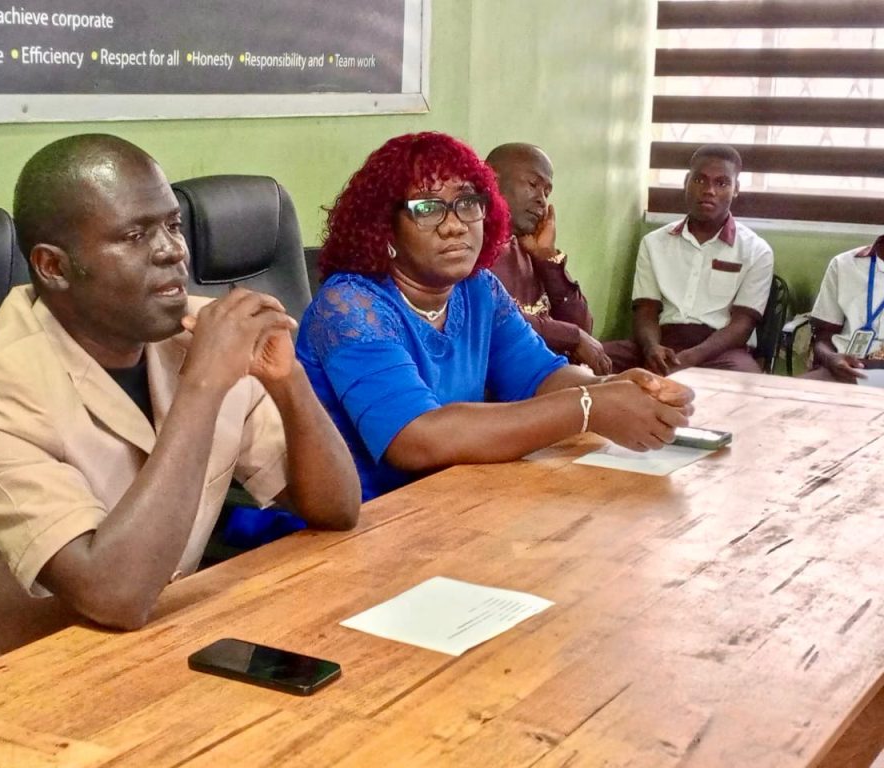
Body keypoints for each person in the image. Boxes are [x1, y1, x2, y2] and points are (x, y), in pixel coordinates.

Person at [0, 134, 360, 676]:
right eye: (135, 235)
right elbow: (113, 594)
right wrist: (203, 386)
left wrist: (288, 380)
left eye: (173, 225)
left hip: (149, 649)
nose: (172, 251)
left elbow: (335, 509)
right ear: (53, 267)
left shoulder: (199, 331)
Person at [295, 131, 694, 502]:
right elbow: (417, 439)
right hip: (355, 522)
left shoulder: (478, 288)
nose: (454, 226)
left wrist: (615, 387)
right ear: (385, 227)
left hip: (451, 499)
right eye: (428, 208)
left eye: (468, 203)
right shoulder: (349, 305)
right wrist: (589, 406)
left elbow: (541, 376)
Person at [605, 144, 774, 375]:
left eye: (722, 183)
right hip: (660, 343)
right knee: (592, 359)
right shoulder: (654, 243)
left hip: (720, 351)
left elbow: (742, 325)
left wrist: (692, 357)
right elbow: (646, 310)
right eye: (700, 180)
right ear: (686, 182)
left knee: (746, 382)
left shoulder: (756, 251)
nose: (709, 190)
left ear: (736, 189)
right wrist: (652, 348)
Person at [485, 143, 612, 374]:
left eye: (547, 192)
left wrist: (547, 257)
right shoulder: (470, 249)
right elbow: (493, 317)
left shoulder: (527, 247)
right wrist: (571, 336)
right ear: (492, 181)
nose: (542, 200)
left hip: (554, 376)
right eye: (533, 185)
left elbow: (583, 326)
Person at [802, 234, 884, 383]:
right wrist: (831, 358)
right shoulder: (844, 264)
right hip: (846, 371)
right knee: (787, 393)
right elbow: (823, 338)